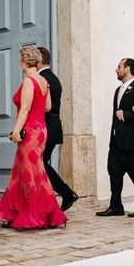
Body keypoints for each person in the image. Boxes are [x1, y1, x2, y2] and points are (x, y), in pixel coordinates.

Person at [0, 46, 67, 229]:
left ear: (24, 61)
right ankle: (24, 213)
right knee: (30, 172)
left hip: (30, 132)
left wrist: (16, 131)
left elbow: (25, 109)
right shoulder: (43, 81)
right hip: (41, 131)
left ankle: (34, 215)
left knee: (28, 174)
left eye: (20, 59)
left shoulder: (29, 81)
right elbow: (47, 107)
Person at [97, 58, 134, 217]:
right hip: (115, 142)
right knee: (114, 173)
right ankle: (115, 206)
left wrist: (125, 115)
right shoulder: (117, 90)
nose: (116, 69)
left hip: (131, 143)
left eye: (119, 66)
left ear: (127, 69)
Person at [37, 47, 79, 212]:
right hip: (52, 127)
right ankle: (61, 194)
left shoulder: (44, 79)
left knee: (40, 163)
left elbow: (45, 107)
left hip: (48, 127)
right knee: (40, 163)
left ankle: (66, 193)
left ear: (39, 60)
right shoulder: (51, 77)